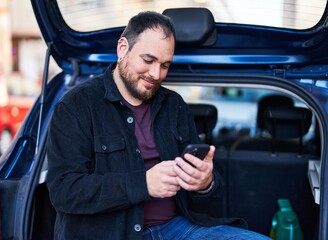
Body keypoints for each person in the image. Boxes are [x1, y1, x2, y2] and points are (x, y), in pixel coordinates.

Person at [47, 11, 271, 240]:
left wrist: (205, 182)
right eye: (148, 60)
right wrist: (143, 184)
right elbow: (64, 191)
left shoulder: (175, 106)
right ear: (123, 48)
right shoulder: (76, 105)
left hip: (177, 228)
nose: (156, 74)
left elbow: (203, 193)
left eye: (165, 65)